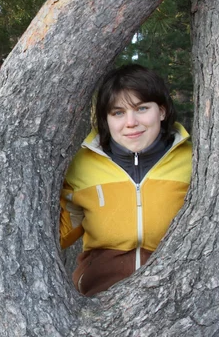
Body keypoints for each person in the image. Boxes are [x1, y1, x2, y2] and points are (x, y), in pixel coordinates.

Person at [59, 64, 192, 296]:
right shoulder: (81, 166)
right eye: (118, 112)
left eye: (141, 109)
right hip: (99, 295)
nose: (131, 122)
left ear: (161, 111)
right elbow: (57, 233)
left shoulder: (195, 161)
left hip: (177, 294)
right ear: (106, 120)